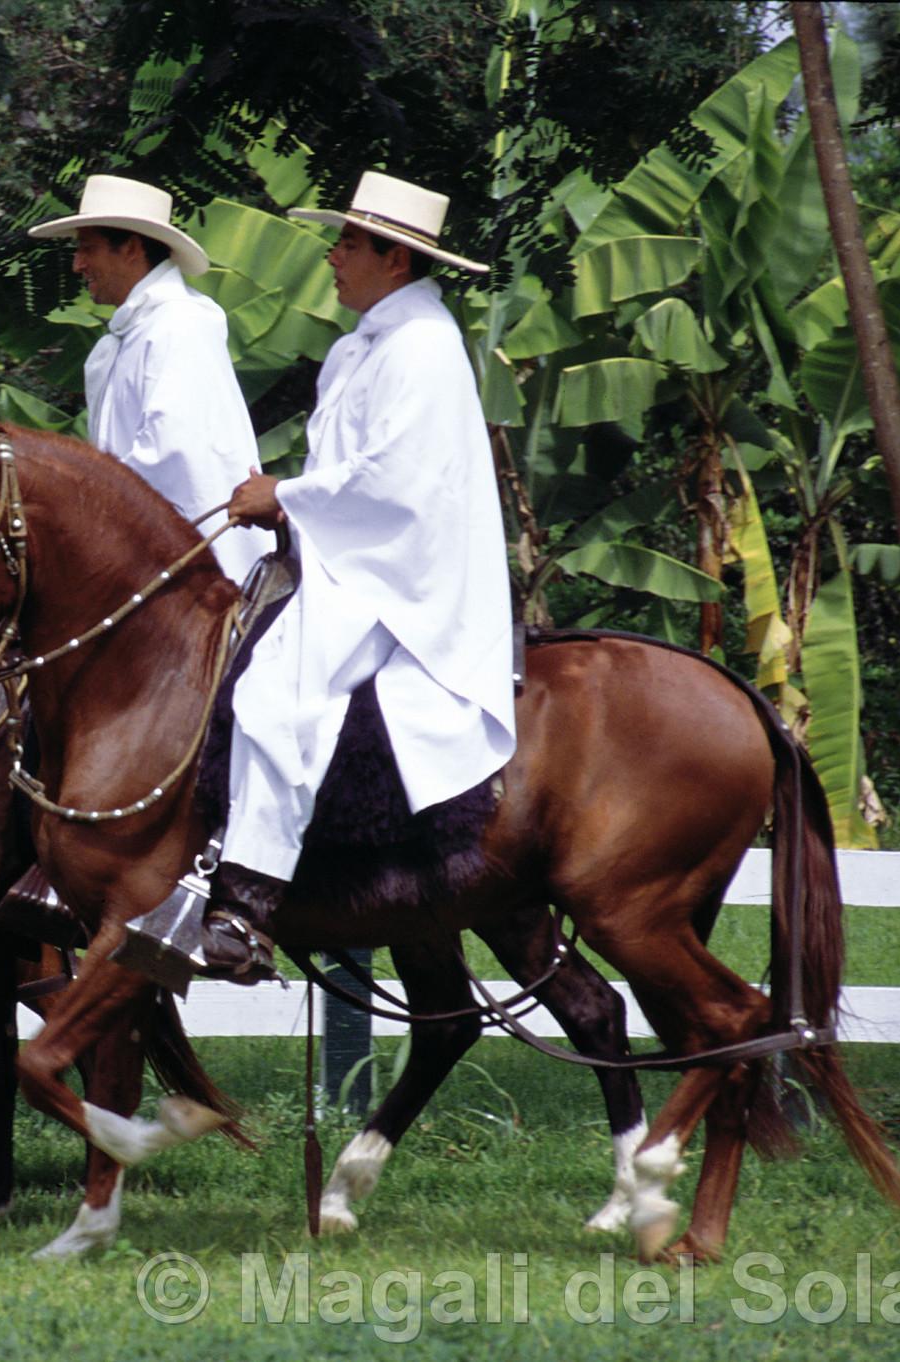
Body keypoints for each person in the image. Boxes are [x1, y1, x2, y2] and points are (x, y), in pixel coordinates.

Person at [194, 171, 518, 982]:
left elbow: (393, 483)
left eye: (348, 243)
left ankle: (249, 898)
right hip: (348, 551)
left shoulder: (423, 347)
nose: (333, 257)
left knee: (273, 689)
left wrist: (285, 495)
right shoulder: (361, 346)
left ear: (395, 260)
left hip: (401, 572)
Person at [28, 174, 265, 583]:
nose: (77, 264)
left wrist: (77, 508)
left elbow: (169, 452)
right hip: (143, 553)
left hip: (197, 568)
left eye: (88, 249)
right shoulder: (133, 336)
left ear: (132, 249)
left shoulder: (179, 325)